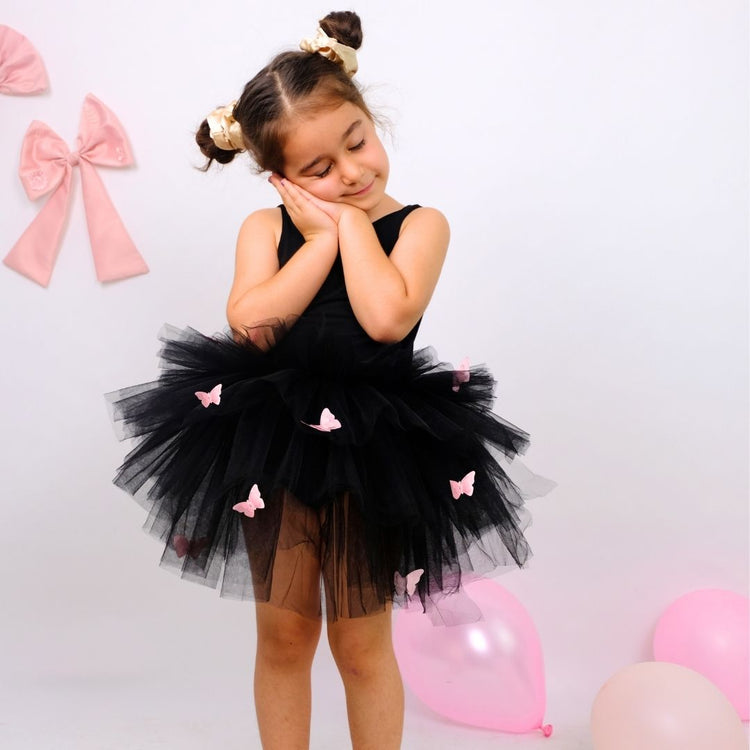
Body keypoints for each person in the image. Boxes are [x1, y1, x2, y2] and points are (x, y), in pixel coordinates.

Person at [106, 10, 547, 750]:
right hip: (272, 442)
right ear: (280, 179)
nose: (352, 174)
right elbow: (253, 324)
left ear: (371, 122)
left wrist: (346, 225)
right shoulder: (264, 231)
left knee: (359, 644)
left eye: (358, 144)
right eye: (320, 171)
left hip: (375, 447)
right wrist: (314, 240)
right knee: (284, 636)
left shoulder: (418, 225)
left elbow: (385, 316)